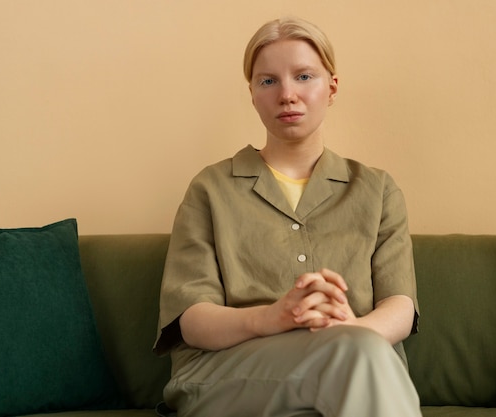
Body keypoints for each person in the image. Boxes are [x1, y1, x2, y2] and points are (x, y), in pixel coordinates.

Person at [154, 16, 421, 417]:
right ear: (252, 94)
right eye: (268, 81)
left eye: (304, 77)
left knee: (359, 355)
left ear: (331, 87)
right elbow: (191, 320)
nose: (287, 95)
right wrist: (273, 317)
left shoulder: (377, 189)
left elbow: (399, 304)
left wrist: (352, 332)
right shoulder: (210, 188)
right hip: (228, 370)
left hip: (357, 365)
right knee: (357, 359)